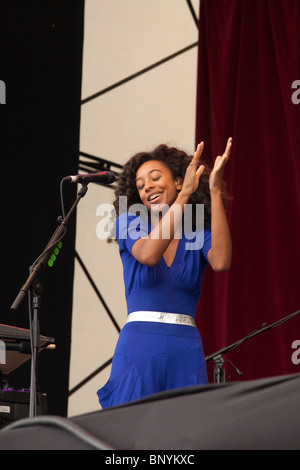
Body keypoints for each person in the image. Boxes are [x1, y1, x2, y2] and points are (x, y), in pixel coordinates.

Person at [97, 138, 233, 408]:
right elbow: (148, 255)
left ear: (180, 181)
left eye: (155, 177)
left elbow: (221, 262)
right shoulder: (130, 221)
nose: (147, 186)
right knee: (130, 432)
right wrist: (184, 198)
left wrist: (215, 191)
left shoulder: (194, 230)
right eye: (140, 185)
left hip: (186, 347)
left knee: (183, 432)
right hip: (140, 343)